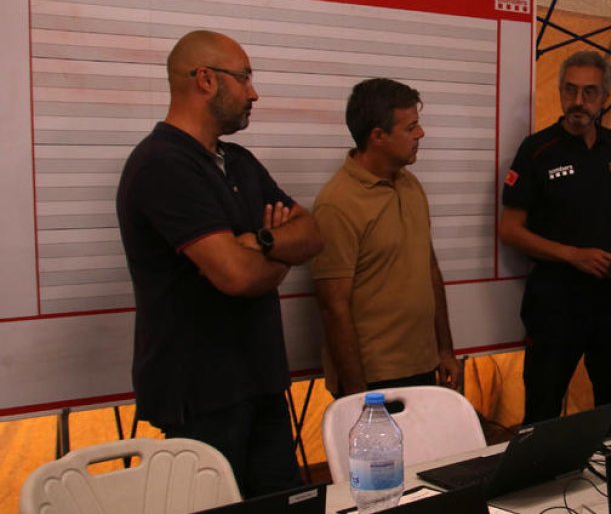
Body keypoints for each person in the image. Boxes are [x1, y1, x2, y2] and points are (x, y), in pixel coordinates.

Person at [116, 30, 323, 496]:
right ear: (206, 80)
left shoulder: (240, 162)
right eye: (245, 78)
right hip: (201, 393)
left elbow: (312, 234)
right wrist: (274, 251)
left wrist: (261, 239)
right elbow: (236, 275)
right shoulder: (163, 165)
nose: (254, 92)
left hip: (260, 379)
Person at [499, 50, 611, 434]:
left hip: (609, 302)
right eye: (571, 90)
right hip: (554, 305)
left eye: (589, 92)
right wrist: (571, 256)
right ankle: (536, 490)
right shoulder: (536, 149)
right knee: (542, 415)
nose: (578, 101)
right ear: (560, 93)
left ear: (604, 97)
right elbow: (509, 230)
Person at [310, 78, 461, 396]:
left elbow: (429, 269)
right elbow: (333, 307)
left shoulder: (410, 184)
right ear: (378, 136)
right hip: (376, 379)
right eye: (411, 128)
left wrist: (445, 350)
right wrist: (357, 393)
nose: (420, 134)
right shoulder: (337, 203)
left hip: (423, 365)